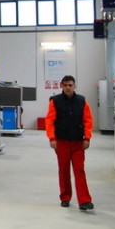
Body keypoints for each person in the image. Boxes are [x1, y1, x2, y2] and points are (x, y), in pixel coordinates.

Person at [45, 75, 94, 211]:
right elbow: (49, 121)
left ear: (74, 86)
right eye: (65, 85)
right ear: (61, 85)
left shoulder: (82, 101)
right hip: (62, 142)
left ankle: (84, 200)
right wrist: (52, 138)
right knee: (64, 170)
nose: (68, 88)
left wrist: (87, 138)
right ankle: (65, 197)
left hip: (78, 142)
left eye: (70, 85)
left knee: (79, 170)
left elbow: (88, 120)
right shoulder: (55, 101)